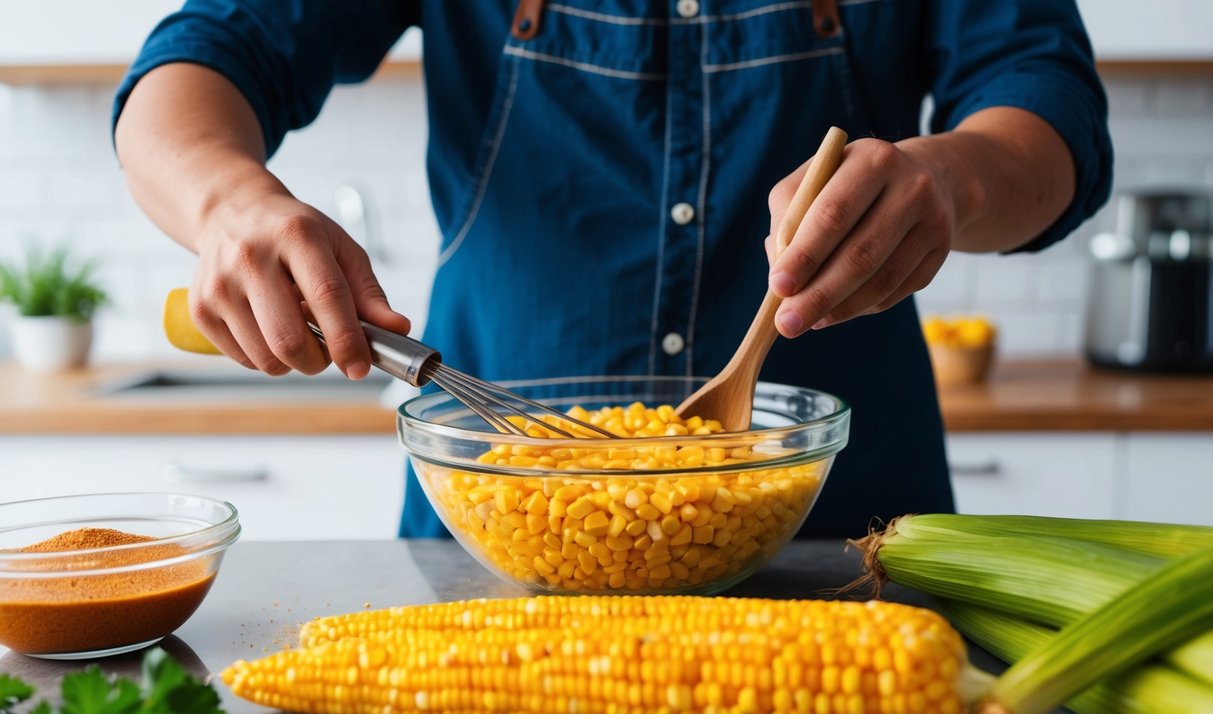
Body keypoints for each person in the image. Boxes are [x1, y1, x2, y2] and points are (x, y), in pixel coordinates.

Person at [113, 0, 1112, 539]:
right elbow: (208, 53)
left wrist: (950, 178)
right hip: (496, 530)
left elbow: (1049, 106)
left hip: (845, 533)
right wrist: (224, 201)